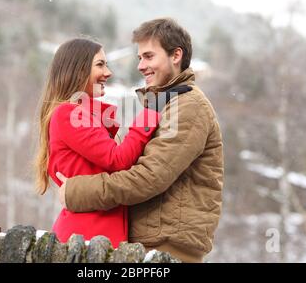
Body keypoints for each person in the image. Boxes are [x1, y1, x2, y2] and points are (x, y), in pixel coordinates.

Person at [56, 18, 224, 263]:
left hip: (168, 248)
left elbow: (148, 178)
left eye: (148, 56)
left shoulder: (188, 106)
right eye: (139, 58)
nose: (141, 66)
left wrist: (77, 191)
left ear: (176, 55)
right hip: (146, 245)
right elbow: (123, 159)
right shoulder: (162, 104)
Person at [34, 38, 190, 248]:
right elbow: (118, 159)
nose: (108, 72)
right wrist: (152, 110)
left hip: (100, 234)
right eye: (100, 65)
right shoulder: (67, 114)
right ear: (77, 69)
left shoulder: (88, 117)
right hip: (87, 235)